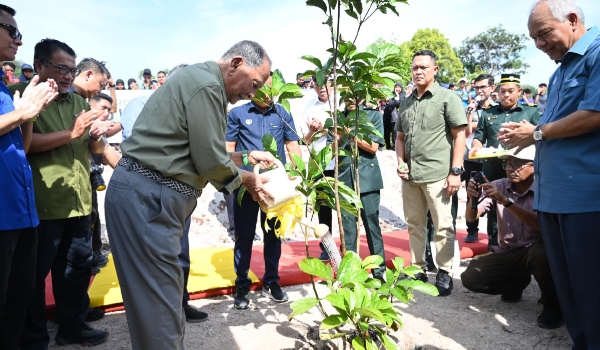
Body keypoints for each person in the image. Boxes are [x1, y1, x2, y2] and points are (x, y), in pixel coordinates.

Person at [105, 40, 275, 350]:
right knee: (160, 309)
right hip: (148, 199)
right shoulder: (206, 85)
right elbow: (210, 160)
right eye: (254, 84)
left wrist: (246, 159)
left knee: (160, 304)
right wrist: (247, 180)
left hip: (150, 198)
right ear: (236, 63)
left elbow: (195, 153)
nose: (252, 94)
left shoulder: (202, 82)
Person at [499, 1, 600, 347]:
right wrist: (529, 131)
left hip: (585, 197)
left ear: (572, 20)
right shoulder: (558, 73)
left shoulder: (597, 54)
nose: (540, 45)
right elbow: (552, 127)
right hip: (554, 196)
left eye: (544, 34)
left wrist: (537, 133)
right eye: (534, 39)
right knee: (568, 285)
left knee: (591, 284)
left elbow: (594, 115)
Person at [10, 38, 111, 349]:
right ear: (39, 66)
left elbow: (90, 147)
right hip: (44, 203)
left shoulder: (79, 103)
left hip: (78, 201)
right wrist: (74, 132)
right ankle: (35, 336)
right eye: (61, 68)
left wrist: (95, 135)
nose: (68, 75)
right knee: (34, 279)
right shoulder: (27, 100)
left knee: (77, 270)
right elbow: (27, 147)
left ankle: (72, 326)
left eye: (72, 69)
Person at [0, 5, 59, 349]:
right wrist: (24, 111)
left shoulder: (4, 90)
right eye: (11, 30)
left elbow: (20, 146)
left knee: (17, 302)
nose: (19, 40)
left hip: (22, 213)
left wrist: (31, 115)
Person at [460, 146, 562, 329]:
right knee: (471, 277)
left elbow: (538, 223)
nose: (511, 168)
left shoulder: (544, 187)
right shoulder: (499, 185)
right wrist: (472, 199)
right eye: (508, 163)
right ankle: (515, 284)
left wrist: (506, 202)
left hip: (537, 251)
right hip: (509, 251)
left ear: (535, 165)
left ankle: (552, 305)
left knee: (541, 254)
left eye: (519, 164)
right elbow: (471, 218)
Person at [395, 50, 466, 296]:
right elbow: (400, 137)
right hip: (411, 177)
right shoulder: (406, 101)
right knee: (414, 224)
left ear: (435, 70)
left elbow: (460, 136)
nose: (418, 71)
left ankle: (445, 272)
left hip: (438, 174)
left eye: (424, 67)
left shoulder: (448, 98)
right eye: (415, 67)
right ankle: (417, 268)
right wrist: (400, 161)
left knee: (443, 225)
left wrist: (455, 171)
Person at [227, 73, 302, 309]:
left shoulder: (281, 112)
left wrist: (296, 174)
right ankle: (242, 285)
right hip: (246, 185)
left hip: (275, 186)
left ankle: (272, 281)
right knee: (244, 236)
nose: (266, 95)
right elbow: (227, 150)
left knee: (273, 235)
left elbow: (292, 145)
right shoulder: (238, 113)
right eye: (261, 90)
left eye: (270, 91)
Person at [469, 74, 540, 249]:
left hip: (522, 169)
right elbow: (479, 138)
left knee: (525, 204)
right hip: (494, 168)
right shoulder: (488, 113)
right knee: (494, 209)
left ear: (519, 91)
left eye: (511, 91)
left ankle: (529, 246)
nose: (506, 95)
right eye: (503, 91)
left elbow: (539, 138)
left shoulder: (530, 112)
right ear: (497, 92)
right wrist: (476, 147)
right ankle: (495, 245)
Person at [338, 102, 386, 280]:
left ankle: (379, 272)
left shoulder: (373, 115)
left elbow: (373, 147)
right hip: (344, 180)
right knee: (348, 229)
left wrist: (349, 134)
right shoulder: (338, 117)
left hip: (368, 180)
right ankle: (351, 273)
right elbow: (332, 150)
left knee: (372, 226)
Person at [462, 74, 496, 243]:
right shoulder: (471, 108)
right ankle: (472, 230)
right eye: (476, 87)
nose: (480, 90)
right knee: (472, 194)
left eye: (483, 87)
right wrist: (470, 115)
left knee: (494, 194)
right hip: (472, 159)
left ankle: (493, 234)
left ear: (492, 88)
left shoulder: (498, 108)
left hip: (493, 159)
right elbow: (467, 132)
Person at [382, 82, 404, 150]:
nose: (397, 89)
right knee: (387, 133)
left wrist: (396, 99)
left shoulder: (403, 96)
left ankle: (395, 147)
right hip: (387, 117)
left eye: (399, 87)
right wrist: (395, 100)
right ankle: (388, 146)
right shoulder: (391, 95)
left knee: (395, 133)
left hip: (396, 117)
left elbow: (399, 104)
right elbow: (389, 105)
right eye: (396, 87)